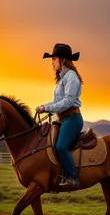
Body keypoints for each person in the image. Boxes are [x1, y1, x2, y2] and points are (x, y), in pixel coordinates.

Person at [36, 43, 84, 187]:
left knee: (61, 147)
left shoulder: (71, 77)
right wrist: (44, 106)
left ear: (62, 60)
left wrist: (46, 108)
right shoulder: (62, 79)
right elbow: (58, 101)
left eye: (54, 58)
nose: (52, 61)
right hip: (63, 118)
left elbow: (68, 101)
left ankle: (72, 178)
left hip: (72, 119)